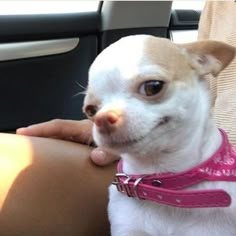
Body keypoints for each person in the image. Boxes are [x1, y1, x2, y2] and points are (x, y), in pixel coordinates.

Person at [0, 1, 235, 235]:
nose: (104, 118)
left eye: (152, 88)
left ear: (205, 60)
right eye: (93, 110)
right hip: (135, 190)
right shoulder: (220, 5)